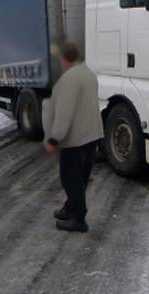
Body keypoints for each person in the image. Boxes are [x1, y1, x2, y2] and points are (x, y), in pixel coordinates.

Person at [43, 42, 104, 233]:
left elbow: (64, 113)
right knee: (80, 177)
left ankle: (78, 218)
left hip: (75, 138)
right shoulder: (88, 74)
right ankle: (70, 208)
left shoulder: (68, 80)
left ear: (63, 59)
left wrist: (54, 138)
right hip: (92, 134)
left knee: (70, 178)